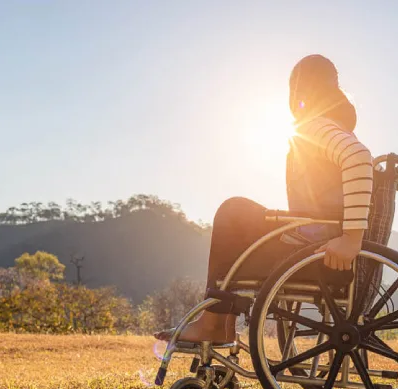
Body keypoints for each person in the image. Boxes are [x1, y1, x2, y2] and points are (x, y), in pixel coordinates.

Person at [155, 54, 374, 344]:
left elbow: (359, 158)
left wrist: (351, 238)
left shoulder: (315, 126)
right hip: (315, 239)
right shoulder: (333, 125)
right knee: (240, 221)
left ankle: (213, 325)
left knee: (232, 212)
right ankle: (218, 324)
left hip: (317, 249)